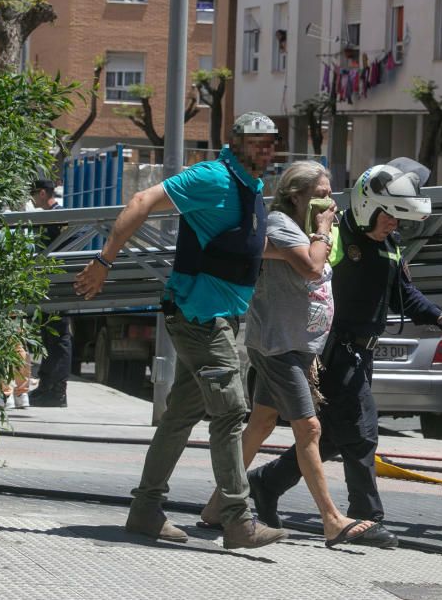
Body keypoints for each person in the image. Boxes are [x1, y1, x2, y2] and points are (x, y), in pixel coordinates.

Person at [72, 112, 287, 550]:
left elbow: (243, 246)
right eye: (258, 142)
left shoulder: (252, 188)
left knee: (181, 417)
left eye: (272, 143)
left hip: (217, 316)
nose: (266, 149)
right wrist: (103, 262)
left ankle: (145, 510)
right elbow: (140, 203)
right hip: (201, 319)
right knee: (229, 413)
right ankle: (237, 520)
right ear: (237, 141)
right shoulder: (212, 177)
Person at [246, 159, 442, 547]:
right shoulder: (336, 237)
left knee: (329, 438)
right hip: (333, 350)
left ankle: (266, 483)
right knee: (361, 434)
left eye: (399, 219)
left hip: (363, 354)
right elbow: (306, 272)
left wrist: (439, 316)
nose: (394, 224)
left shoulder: (390, 247)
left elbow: (404, 293)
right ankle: (366, 517)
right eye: (389, 216)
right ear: (368, 208)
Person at [198, 161, 381, 548]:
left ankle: (216, 506)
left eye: (330, 193)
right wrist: (322, 231)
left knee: (262, 423)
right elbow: (312, 268)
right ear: (295, 195)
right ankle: (332, 519)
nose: (328, 201)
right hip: (278, 345)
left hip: (294, 345)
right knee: (310, 429)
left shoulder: (302, 230)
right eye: (320, 194)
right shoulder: (282, 225)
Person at [29, 178, 73, 408]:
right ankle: (46, 387)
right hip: (49, 283)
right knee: (49, 336)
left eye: (34, 193)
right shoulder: (50, 215)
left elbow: (71, 243)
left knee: (58, 337)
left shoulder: (59, 215)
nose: (32, 197)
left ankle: (57, 392)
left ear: (44, 193)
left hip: (57, 284)